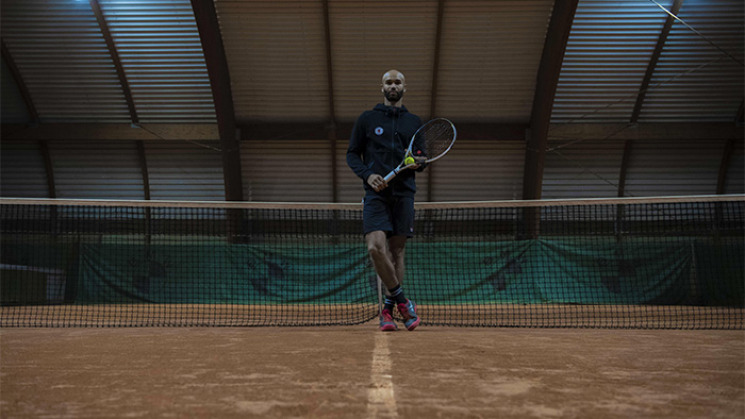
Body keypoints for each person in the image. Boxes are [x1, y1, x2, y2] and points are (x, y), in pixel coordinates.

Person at [346, 69, 427, 332]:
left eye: (398, 82)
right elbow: (352, 155)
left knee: (397, 251)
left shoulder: (414, 122)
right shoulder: (367, 119)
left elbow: (422, 157)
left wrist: (417, 162)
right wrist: (368, 175)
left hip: (404, 194)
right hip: (376, 195)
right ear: (381, 87)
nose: (393, 86)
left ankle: (389, 312)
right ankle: (403, 301)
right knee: (374, 247)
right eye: (389, 82)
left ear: (405, 86)